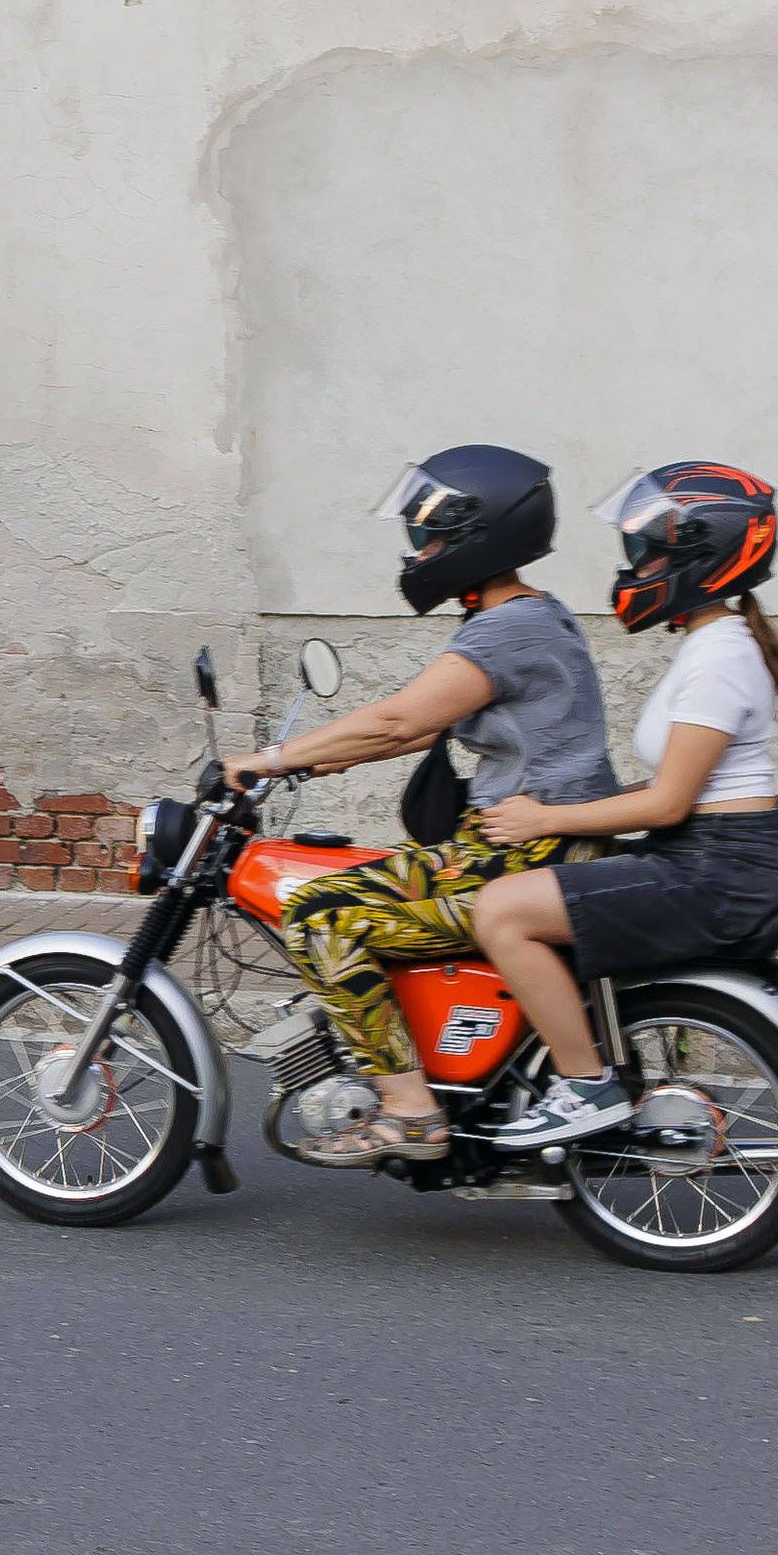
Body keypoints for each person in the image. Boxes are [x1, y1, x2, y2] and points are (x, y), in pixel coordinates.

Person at [222, 445, 619, 1164]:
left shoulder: (508, 628)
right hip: (532, 844)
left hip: (519, 852)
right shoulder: (533, 615)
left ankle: (408, 1111)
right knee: (375, 878)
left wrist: (268, 758)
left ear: (479, 534)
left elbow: (401, 719)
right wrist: (327, 756)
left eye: (430, 535)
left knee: (319, 914)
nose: (421, 551)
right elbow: (423, 726)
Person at [460, 463, 778, 1151]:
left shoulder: (721, 656)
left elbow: (668, 801)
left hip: (716, 869)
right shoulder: (714, 643)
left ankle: (586, 1084)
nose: (636, 564)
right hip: (711, 856)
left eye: (650, 549)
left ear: (700, 554)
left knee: (502, 910)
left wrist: (544, 818)